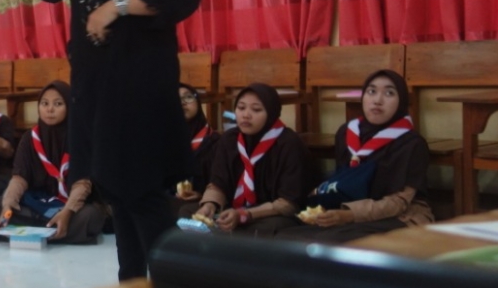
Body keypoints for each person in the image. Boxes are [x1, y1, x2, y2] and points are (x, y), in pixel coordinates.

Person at [31, 0, 203, 280]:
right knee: (116, 190)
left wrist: (119, 5)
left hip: (141, 77)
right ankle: (132, 285)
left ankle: (173, 287)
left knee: (142, 190)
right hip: (95, 79)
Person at [277, 70, 434, 243]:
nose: (377, 100)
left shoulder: (411, 143)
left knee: (333, 241)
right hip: (350, 210)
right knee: (288, 236)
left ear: (401, 101)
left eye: (389, 93)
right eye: (371, 91)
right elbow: (343, 183)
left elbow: (398, 203)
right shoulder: (347, 133)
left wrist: (349, 215)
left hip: (401, 216)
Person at [0, 82, 108, 244]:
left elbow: (82, 184)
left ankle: (33, 231)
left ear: (69, 107)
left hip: (69, 205)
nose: (50, 109)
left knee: (91, 216)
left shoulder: (79, 139)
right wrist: (8, 205)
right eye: (44, 103)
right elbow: (19, 178)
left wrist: (67, 212)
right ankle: (54, 232)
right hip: (37, 204)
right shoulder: (29, 138)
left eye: (58, 104)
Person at [195, 84, 308, 237]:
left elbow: (289, 204)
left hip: (270, 214)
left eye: (256, 110)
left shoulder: (289, 143)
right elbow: (218, 183)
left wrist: (245, 214)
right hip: (234, 210)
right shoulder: (229, 139)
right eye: (241, 108)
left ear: (271, 112)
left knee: (264, 229)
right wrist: (209, 204)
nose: (246, 115)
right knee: (188, 212)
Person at [172, 83, 221, 217]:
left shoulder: (214, 141)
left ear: (198, 102)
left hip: (204, 202)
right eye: (176, 99)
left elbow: (221, 180)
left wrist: (201, 195)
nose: (182, 103)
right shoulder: (164, 139)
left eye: (188, 97)